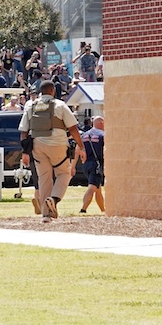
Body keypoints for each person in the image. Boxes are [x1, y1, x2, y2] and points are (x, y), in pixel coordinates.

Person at [19, 79, 85, 222]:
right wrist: (82, 146)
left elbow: (23, 131)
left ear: (40, 92)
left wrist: (25, 152)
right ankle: (54, 200)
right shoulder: (60, 105)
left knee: (44, 178)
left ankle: (46, 215)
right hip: (58, 145)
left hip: (37, 145)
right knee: (64, 173)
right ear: (52, 91)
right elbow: (73, 128)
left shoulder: (30, 106)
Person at [79, 116, 106, 214]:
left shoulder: (84, 135)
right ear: (102, 123)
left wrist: (73, 165)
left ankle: (103, 210)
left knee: (97, 189)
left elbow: (78, 149)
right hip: (97, 165)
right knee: (92, 187)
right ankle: (83, 209)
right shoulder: (103, 135)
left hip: (86, 164)